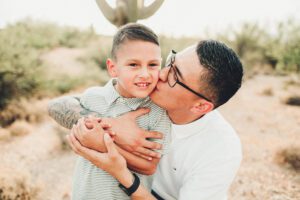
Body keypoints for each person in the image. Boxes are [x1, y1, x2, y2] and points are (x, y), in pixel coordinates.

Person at [49, 39, 244, 200]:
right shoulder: (148, 92)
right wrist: (111, 125)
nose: (160, 74)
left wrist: (121, 171)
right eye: (170, 62)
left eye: (175, 76)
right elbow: (58, 105)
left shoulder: (222, 149)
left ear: (200, 106)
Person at [48, 23, 172, 200]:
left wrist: (103, 144)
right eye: (134, 65)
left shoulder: (156, 111)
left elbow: (150, 166)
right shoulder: (92, 97)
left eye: (153, 65)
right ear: (113, 68)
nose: (145, 74)